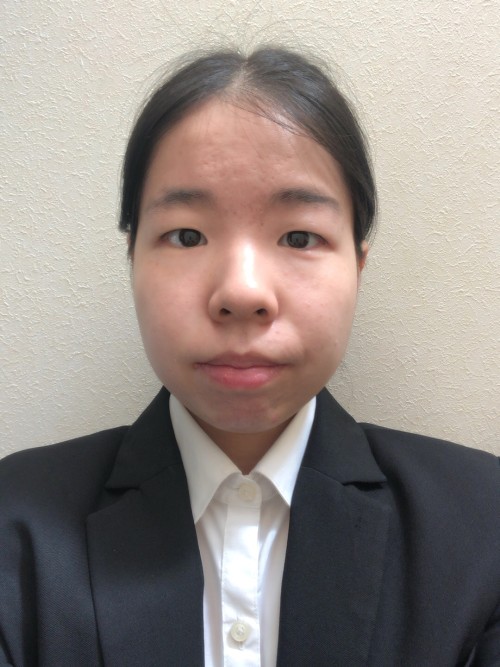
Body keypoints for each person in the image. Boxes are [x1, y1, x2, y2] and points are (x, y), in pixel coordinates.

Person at [0, 46, 499, 667]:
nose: (241, 293)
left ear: (358, 266)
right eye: (187, 235)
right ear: (132, 259)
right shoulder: (15, 524)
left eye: (299, 236)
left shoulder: (483, 526)